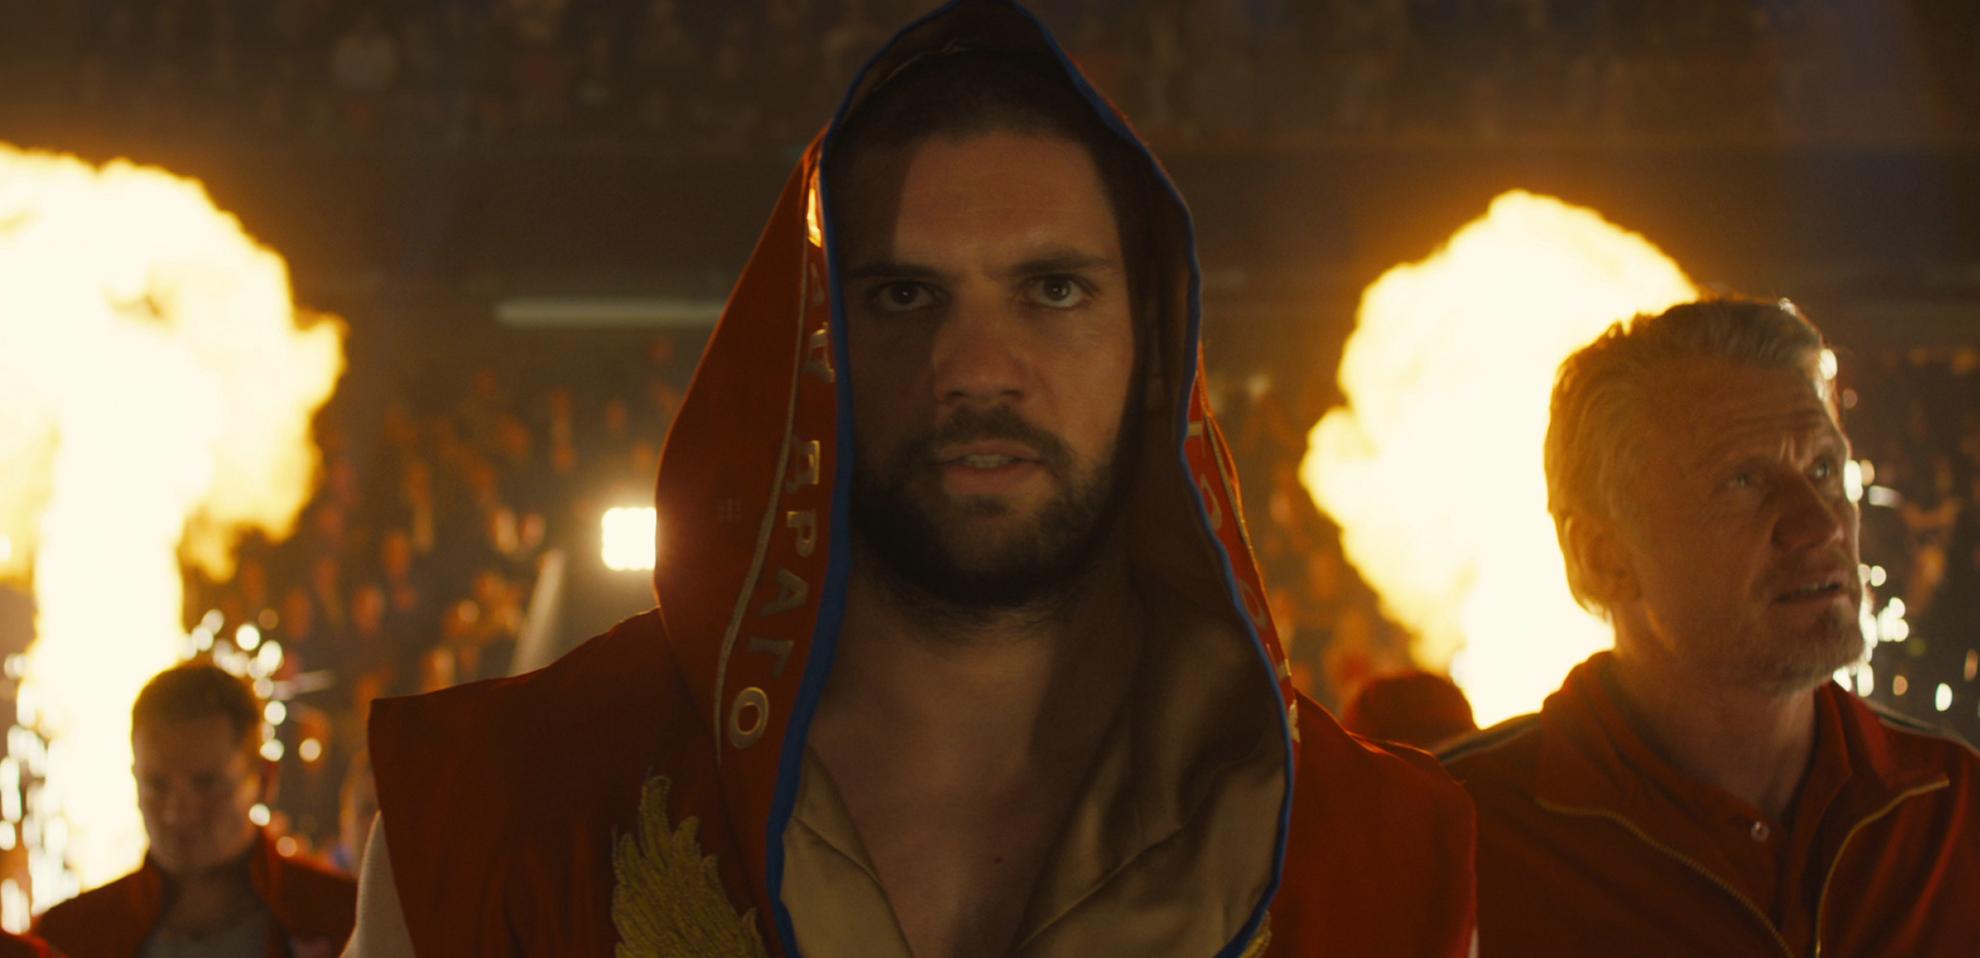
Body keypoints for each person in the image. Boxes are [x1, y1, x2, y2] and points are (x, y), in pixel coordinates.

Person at [349, 3, 1475, 954]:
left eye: (1054, 290)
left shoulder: (1380, 855)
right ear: (813, 346)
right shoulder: (496, 816)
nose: (976, 366)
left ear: (1155, 350)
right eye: (902, 295)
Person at [1440, 298, 1980, 955]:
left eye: (1823, 469)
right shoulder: (1454, 838)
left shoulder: (1954, 810)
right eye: (1741, 480)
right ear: (1604, 556)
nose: (1820, 524)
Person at [34, 662, 356, 957]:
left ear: (263, 780)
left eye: (207, 784)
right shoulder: (69, 940)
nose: (178, 812)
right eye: (157, 785)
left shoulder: (345, 922)